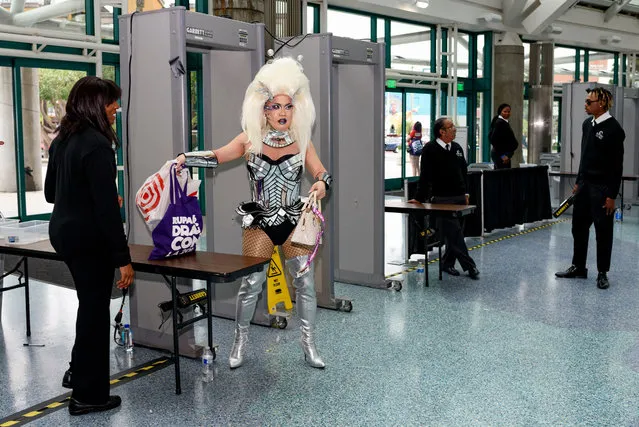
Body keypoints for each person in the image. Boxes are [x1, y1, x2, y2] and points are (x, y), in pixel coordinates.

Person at [176, 57, 332, 369]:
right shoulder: (249, 139)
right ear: (262, 108)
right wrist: (186, 157)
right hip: (259, 221)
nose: (282, 113)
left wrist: (320, 186)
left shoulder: (302, 140)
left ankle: (309, 342)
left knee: (305, 283)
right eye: (275, 106)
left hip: (293, 220)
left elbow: (321, 173)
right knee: (251, 284)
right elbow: (217, 156)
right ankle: (240, 340)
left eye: (288, 106)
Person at [44, 76, 134, 416]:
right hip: (88, 237)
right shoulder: (97, 144)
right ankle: (89, 396)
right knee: (95, 313)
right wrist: (122, 259)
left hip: (64, 234)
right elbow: (107, 213)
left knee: (89, 305)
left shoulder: (62, 140)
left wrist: (99, 196)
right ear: (97, 104)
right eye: (111, 102)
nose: (115, 109)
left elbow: (53, 194)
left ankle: (77, 372)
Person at [555, 87, 624, 290]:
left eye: (588, 102)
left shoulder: (614, 129)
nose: (585, 105)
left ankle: (602, 272)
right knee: (578, 227)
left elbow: (616, 166)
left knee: (603, 231)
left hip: (602, 188)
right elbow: (584, 156)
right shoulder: (587, 125)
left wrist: (612, 195)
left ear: (601, 104)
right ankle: (579, 266)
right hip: (584, 186)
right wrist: (578, 181)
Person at [408, 117, 479, 280]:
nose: (454, 129)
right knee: (454, 232)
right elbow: (425, 176)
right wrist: (419, 198)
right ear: (442, 131)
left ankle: (447, 264)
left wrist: (466, 193)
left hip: (459, 198)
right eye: (451, 126)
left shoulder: (456, 148)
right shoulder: (430, 149)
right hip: (441, 199)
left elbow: (463, 172)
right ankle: (470, 266)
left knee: (455, 233)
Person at [488, 103, 519, 169]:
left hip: (504, 154)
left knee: (502, 176)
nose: (507, 113)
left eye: (508, 112)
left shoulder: (503, 122)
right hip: (501, 154)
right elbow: (494, 140)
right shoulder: (499, 123)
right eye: (505, 111)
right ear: (500, 112)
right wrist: (503, 156)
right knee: (502, 176)